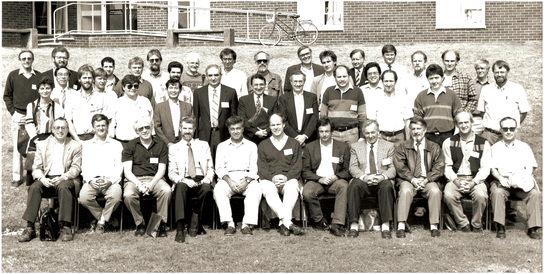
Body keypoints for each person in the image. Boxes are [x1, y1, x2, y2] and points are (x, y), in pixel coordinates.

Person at [18, 117, 82, 242]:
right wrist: (42, 178)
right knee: (34, 187)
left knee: (64, 187)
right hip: (47, 178)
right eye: (57, 128)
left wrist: (63, 177)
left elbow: (76, 168)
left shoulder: (75, 145)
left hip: (65, 177)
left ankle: (66, 227)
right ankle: (30, 228)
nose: (60, 130)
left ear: (68, 130)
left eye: (63, 128)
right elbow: (36, 168)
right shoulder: (43, 144)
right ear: (52, 130)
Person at [489, 117, 541, 239]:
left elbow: (531, 167)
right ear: (500, 130)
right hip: (503, 181)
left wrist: (522, 179)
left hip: (521, 181)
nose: (508, 131)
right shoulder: (495, 148)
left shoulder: (524, 147)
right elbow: (493, 169)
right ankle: (500, 227)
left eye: (511, 129)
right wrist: (501, 178)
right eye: (505, 129)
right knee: (497, 192)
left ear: (516, 130)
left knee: (535, 194)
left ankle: (533, 228)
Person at [394, 117, 445, 238]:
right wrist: (413, 179)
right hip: (409, 180)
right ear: (410, 131)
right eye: (413, 129)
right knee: (405, 191)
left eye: (419, 128)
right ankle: (401, 225)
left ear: (425, 129)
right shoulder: (402, 146)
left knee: (435, 191)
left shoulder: (434, 147)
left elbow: (439, 167)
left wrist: (427, 179)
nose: (416, 131)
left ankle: (434, 226)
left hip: (428, 179)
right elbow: (400, 167)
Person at [122, 117, 171, 237]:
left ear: (152, 128)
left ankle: (160, 224)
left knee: (166, 190)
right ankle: (140, 224)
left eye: (147, 127)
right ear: (136, 131)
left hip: (155, 179)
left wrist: (151, 184)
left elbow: (162, 169)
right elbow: (127, 172)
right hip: (134, 180)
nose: (144, 130)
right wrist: (139, 184)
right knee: (128, 195)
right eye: (141, 128)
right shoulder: (130, 146)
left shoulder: (161, 144)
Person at [347, 120, 396, 239]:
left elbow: (392, 168)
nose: (370, 136)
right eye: (367, 133)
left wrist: (381, 177)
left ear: (378, 132)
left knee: (386, 185)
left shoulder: (389, 146)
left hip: (381, 179)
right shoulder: (355, 147)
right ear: (363, 134)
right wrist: (364, 177)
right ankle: (354, 225)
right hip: (364, 179)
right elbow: (352, 167)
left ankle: (385, 226)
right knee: (354, 185)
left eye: (373, 132)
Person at [213, 116, 262, 236]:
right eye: (233, 129)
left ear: (243, 129)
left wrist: (247, 180)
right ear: (229, 130)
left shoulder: (251, 146)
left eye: (238, 128)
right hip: (228, 178)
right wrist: (229, 181)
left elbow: (254, 168)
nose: (235, 131)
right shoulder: (222, 146)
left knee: (256, 189)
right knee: (219, 190)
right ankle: (229, 223)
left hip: (246, 177)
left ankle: (246, 224)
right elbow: (219, 168)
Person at [443, 111, 490, 232]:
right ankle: (463, 223)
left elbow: (485, 168)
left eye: (466, 122)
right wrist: (456, 181)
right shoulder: (448, 142)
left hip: (475, 179)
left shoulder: (483, 143)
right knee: (448, 195)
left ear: (472, 123)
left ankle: (476, 224)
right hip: (456, 179)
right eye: (460, 123)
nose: (463, 125)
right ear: (456, 125)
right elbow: (447, 167)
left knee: (481, 195)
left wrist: (473, 183)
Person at [301, 117, 350, 237]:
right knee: (307, 192)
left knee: (344, 187)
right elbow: (305, 170)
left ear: (331, 131)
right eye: (321, 131)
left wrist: (335, 177)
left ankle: (337, 224)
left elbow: (347, 170)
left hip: (335, 179)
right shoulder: (310, 147)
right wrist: (319, 178)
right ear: (318, 132)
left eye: (327, 131)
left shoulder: (342, 147)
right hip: (317, 179)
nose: (324, 134)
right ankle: (320, 221)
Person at [168, 116, 214, 242]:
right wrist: (183, 179)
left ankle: (196, 221)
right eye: (185, 128)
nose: (187, 131)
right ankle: (180, 228)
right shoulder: (174, 148)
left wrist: (208, 179)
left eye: (190, 128)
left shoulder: (203, 145)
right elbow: (171, 173)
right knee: (181, 187)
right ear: (180, 129)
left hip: (201, 178)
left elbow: (210, 167)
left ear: (194, 129)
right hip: (184, 178)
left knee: (206, 189)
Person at [258, 113, 304, 236]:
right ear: (269, 127)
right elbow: (261, 167)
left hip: (288, 179)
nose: (276, 127)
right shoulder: (263, 145)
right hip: (270, 179)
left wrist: (286, 177)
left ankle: (282, 224)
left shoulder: (294, 143)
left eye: (278, 124)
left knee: (293, 186)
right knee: (267, 188)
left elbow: (297, 166)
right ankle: (288, 223)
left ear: (284, 125)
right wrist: (272, 178)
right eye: (273, 125)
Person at [78, 114, 123, 233]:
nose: (101, 128)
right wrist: (91, 180)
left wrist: (110, 181)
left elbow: (119, 166)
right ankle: (105, 218)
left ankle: (101, 221)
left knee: (116, 197)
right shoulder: (86, 145)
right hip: (92, 181)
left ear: (107, 126)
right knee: (83, 197)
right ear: (93, 127)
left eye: (103, 125)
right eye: (98, 126)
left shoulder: (116, 145)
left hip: (111, 181)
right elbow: (85, 166)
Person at [4, 50, 41, 185]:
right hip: (19, 115)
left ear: (33, 60)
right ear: (20, 60)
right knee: (18, 146)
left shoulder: (38, 76)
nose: (26, 61)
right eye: (24, 58)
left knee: (35, 146)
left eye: (29, 58)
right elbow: (7, 96)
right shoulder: (13, 75)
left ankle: (34, 175)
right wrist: (14, 113)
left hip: (35, 115)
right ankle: (17, 177)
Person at [477, 60, 531, 145]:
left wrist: (511, 126)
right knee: (487, 157)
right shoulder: (486, 89)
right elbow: (482, 111)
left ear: (507, 72)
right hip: (490, 135)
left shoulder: (517, 89)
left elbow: (524, 112)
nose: (499, 75)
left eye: (502, 72)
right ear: (493, 73)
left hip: (510, 134)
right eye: (496, 72)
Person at [193, 64, 238, 160]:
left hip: (223, 133)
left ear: (221, 75)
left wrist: (233, 134)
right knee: (206, 161)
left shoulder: (230, 92)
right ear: (206, 76)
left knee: (223, 160)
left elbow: (234, 117)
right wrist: (196, 136)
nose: (213, 78)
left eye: (216, 75)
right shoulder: (198, 93)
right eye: (210, 75)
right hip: (204, 133)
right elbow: (196, 115)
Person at [413, 64, 462, 146]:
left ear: (442, 78)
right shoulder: (421, 96)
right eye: (431, 78)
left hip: (447, 135)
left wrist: (455, 135)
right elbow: (418, 118)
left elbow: (458, 116)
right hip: (428, 135)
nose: (434, 81)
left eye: (437, 78)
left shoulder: (451, 94)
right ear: (427, 79)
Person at [320, 65, 366, 145]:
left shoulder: (358, 92)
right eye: (339, 77)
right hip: (333, 134)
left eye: (344, 76)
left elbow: (362, 116)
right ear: (335, 78)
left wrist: (362, 136)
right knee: (334, 157)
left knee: (353, 157)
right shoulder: (328, 91)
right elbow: (323, 115)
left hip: (352, 134)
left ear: (349, 76)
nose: (342, 79)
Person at [65, 65, 110, 142]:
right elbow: (68, 121)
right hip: (77, 138)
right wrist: (78, 140)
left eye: (89, 78)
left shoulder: (102, 97)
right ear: (79, 79)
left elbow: (105, 120)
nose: (87, 80)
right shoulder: (71, 97)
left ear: (93, 79)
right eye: (84, 78)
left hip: (96, 138)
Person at [277, 70, 319, 146]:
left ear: (304, 82)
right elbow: (283, 120)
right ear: (291, 82)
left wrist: (305, 136)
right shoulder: (284, 98)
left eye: (300, 81)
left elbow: (314, 118)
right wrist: (296, 137)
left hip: (309, 139)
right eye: (295, 81)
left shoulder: (312, 97)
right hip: (290, 138)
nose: (298, 84)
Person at [369, 70, 411, 144]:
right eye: (386, 81)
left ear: (395, 82)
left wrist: (408, 141)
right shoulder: (374, 98)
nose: (388, 84)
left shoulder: (403, 98)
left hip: (398, 138)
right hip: (381, 137)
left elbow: (407, 122)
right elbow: (372, 121)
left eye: (391, 81)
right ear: (382, 82)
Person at [109, 75, 154, 144]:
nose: (133, 88)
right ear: (123, 87)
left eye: (135, 86)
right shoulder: (117, 103)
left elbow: (151, 121)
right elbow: (112, 124)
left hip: (142, 142)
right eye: (129, 86)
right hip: (123, 142)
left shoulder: (145, 101)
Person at [238, 74, 278, 145]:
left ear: (265, 85)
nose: (259, 87)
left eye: (261, 84)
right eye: (256, 85)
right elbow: (242, 120)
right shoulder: (243, 100)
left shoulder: (273, 100)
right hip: (249, 138)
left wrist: (266, 131)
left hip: (268, 138)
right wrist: (255, 132)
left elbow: (275, 119)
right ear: (251, 86)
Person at [153, 79, 194, 147]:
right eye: (171, 88)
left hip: (184, 143)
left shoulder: (188, 106)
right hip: (165, 144)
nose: (173, 91)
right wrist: (167, 143)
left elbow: (192, 125)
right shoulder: (159, 107)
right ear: (166, 90)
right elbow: (157, 127)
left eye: (176, 88)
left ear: (180, 90)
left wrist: (185, 141)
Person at [25, 76, 64, 145]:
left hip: (53, 140)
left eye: (47, 88)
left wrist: (53, 140)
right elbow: (29, 125)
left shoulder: (58, 107)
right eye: (42, 88)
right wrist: (36, 141)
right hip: (35, 140)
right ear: (38, 90)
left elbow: (59, 126)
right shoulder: (31, 106)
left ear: (52, 89)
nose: (45, 91)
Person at [471, 58, 491, 135]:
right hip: (475, 118)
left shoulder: (492, 86)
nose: (480, 71)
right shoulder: (471, 84)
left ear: (487, 69)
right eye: (477, 68)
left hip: (488, 118)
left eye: (482, 68)